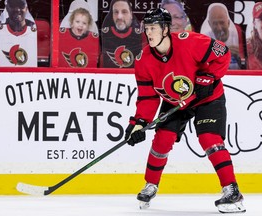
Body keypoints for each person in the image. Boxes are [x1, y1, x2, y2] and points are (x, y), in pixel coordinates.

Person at [124, 8, 246, 213]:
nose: (149, 33)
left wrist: (210, 76)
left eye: (153, 28)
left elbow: (222, 53)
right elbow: (148, 97)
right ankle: (150, 185)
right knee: (162, 139)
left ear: (165, 29)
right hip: (176, 102)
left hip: (207, 97)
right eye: (147, 29)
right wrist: (138, 123)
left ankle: (232, 191)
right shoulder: (143, 60)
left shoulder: (189, 41)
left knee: (209, 139)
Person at [100, 0, 146, 68]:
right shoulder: (104, 36)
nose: (119, 17)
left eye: (124, 12)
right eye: (115, 12)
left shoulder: (142, 37)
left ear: (131, 15)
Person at [200, 3, 242, 69]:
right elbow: (203, 62)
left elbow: (243, 59)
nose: (219, 28)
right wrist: (225, 52)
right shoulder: (205, 38)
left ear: (228, 22)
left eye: (222, 23)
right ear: (209, 24)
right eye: (215, 23)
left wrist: (237, 54)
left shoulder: (236, 32)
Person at [59, 0, 99, 68]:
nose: (80, 25)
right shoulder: (63, 36)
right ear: (72, 23)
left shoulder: (92, 40)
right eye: (77, 22)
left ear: (88, 26)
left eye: (84, 23)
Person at [0, 0, 37, 66]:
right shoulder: (1, 28)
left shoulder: (33, 29)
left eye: (21, 6)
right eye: (12, 6)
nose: (17, 9)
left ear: (26, 8)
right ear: (7, 8)